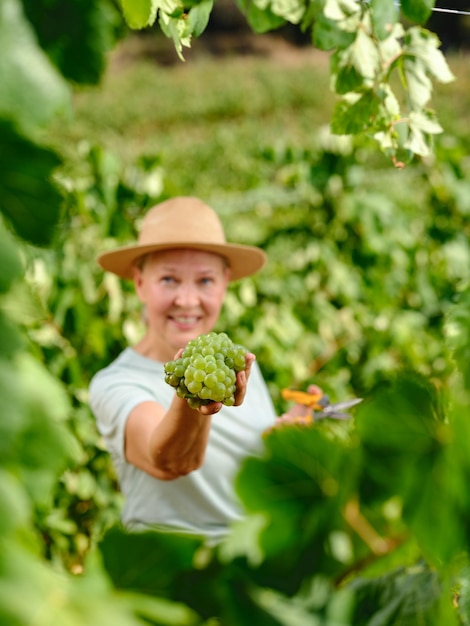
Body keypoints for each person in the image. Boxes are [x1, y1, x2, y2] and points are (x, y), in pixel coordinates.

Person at [89, 196, 312, 545]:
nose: (188, 300)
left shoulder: (234, 363)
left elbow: (246, 463)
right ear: (139, 283)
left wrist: (285, 436)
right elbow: (169, 462)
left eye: (205, 281)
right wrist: (196, 398)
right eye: (169, 280)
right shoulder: (115, 384)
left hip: (251, 563)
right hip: (172, 578)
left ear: (224, 283)